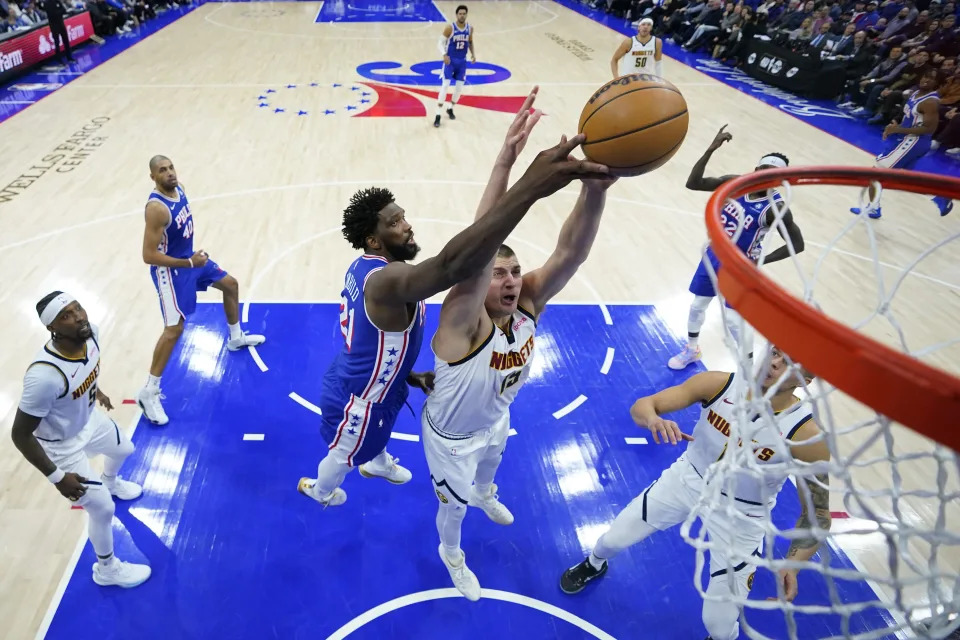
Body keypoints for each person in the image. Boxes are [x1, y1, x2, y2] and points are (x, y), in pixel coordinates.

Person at [297, 88, 610, 508]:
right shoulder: (393, 281)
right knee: (347, 450)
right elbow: (455, 264)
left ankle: (378, 460)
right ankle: (321, 490)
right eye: (395, 223)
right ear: (373, 239)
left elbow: (380, 342)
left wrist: (511, 162)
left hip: (372, 374)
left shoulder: (368, 268)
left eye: (403, 215)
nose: (407, 226)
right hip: (361, 396)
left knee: (379, 429)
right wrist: (528, 186)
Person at [421, 143, 617, 599]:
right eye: (498, 272)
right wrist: (505, 164)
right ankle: (452, 554)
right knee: (454, 510)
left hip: (495, 419)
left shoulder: (527, 304)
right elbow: (478, 246)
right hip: (451, 440)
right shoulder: (461, 320)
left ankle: (486, 492)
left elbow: (571, 252)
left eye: (515, 271)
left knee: (490, 466)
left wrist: (595, 191)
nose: (510, 280)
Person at [560, 348, 832, 640]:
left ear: (806, 378)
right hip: (688, 478)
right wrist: (653, 419)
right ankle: (593, 564)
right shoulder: (718, 384)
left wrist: (794, 564)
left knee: (718, 622)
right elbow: (643, 405)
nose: (775, 363)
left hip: (742, 516)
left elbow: (817, 514)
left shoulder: (807, 435)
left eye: (789, 361)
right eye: (775, 352)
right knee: (611, 539)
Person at [10, 292, 151, 588]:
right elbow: (20, 434)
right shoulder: (44, 377)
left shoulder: (93, 335)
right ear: (53, 328)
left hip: (88, 420)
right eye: (66, 316)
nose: (79, 317)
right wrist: (58, 477)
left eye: (78, 309)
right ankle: (107, 569)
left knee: (126, 448)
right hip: (61, 446)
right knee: (103, 509)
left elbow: (85, 372)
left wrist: (95, 393)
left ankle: (110, 481)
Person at [136, 156, 265, 426]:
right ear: (153, 177)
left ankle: (235, 337)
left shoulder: (179, 188)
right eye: (162, 170)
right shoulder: (156, 209)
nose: (170, 173)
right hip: (171, 271)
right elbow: (148, 256)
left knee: (230, 284)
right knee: (174, 329)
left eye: (171, 167)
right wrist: (188, 262)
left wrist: (192, 259)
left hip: (190, 261)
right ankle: (149, 391)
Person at [668, 126, 805, 370]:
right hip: (714, 254)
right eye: (763, 170)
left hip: (740, 267)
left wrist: (761, 260)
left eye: (773, 174)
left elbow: (798, 244)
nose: (766, 176)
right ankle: (691, 349)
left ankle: (748, 367)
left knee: (732, 319)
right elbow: (694, 183)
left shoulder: (775, 207)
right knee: (698, 304)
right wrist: (711, 149)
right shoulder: (735, 184)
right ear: (756, 170)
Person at [850, 68, 953, 219]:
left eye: (931, 79)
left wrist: (897, 129)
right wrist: (895, 124)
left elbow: (929, 128)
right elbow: (908, 116)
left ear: (937, 84)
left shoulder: (930, 101)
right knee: (906, 179)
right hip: (910, 141)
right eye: (925, 75)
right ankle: (941, 193)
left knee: (875, 172)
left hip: (914, 142)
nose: (926, 80)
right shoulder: (916, 93)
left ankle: (873, 208)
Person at [434, 4, 475, 128]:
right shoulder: (450, 28)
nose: (462, 15)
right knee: (445, 86)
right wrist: (444, 54)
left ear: (466, 15)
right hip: (450, 62)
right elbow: (440, 43)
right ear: (456, 15)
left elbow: (471, 42)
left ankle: (450, 108)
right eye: (460, 13)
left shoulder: (470, 28)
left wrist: (473, 54)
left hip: (462, 62)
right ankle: (438, 115)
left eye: (464, 13)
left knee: (458, 88)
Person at [42, 0, 75, 64]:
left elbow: (64, 10)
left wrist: (59, 12)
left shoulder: (57, 1)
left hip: (61, 24)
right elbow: (52, 14)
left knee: (66, 41)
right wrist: (60, 12)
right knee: (57, 43)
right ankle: (59, 59)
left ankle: (69, 57)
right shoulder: (46, 3)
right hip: (54, 26)